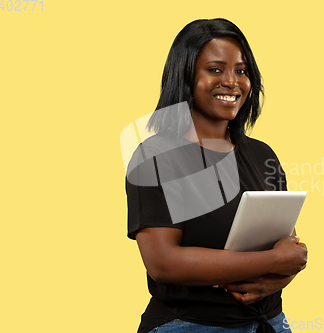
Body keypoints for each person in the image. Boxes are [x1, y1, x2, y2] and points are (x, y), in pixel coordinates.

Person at [125, 18, 308, 333]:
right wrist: (277, 263)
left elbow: (286, 245)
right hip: (190, 325)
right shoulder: (155, 157)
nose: (232, 82)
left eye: (241, 70)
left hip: (270, 323)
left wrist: (279, 277)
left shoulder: (262, 155)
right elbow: (164, 263)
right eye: (215, 69)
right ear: (185, 76)